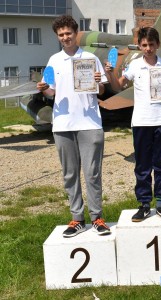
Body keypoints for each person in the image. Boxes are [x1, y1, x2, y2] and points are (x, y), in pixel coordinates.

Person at [37, 15, 118, 237]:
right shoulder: (53, 60)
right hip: (63, 123)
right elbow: (51, 93)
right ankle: (76, 219)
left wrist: (97, 80)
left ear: (75, 33)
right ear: (58, 37)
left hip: (90, 122)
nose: (65, 37)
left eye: (68, 33)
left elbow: (101, 91)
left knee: (92, 173)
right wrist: (43, 88)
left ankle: (97, 217)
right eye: (61, 35)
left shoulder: (91, 58)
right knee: (70, 174)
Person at [110, 27, 161, 222]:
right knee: (142, 165)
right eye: (144, 45)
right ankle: (144, 204)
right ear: (139, 46)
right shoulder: (134, 65)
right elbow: (118, 86)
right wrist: (111, 73)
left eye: (151, 44)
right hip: (141, 121)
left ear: (158, 45)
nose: (148, 48)